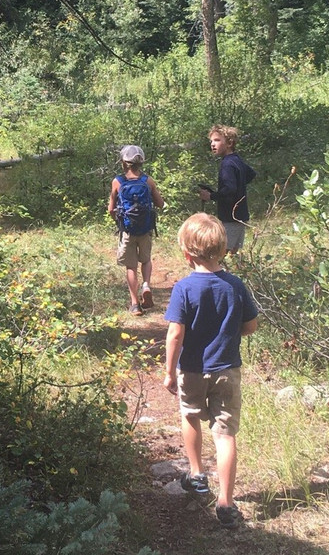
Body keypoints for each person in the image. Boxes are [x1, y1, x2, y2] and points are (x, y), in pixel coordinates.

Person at [163, 213, 259, 529]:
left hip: (192, 368)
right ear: (223, 249)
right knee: (225, 433)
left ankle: (197, 475)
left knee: (190, 415)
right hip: (227, 368)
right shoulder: (235, 285)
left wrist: (169, 371)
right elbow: (251, 326)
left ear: (186, 254)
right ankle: (226, 503)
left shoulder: (184, 288)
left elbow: (175, 334)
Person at [107, 145, 165, 316]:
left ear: (123, 162)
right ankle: (146, 285)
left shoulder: (118, 182)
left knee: (131, 266)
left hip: (127, 230)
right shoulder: (148, 181)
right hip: (145, 229)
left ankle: (135, 305)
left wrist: (119, 222)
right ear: (141, 162)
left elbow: (111, 209)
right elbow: (160, 204)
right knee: (145, 260)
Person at [197, 125, 256, 254]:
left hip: (230, 217)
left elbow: (230, 189)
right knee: (233, 253)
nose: (213, 144)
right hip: (240, 215)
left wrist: (210, 196)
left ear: (229, 143)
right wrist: (239, 186)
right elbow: (251, 174)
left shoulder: (227, 164)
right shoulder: (236, 159)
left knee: (222, 253)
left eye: (217, 140)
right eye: (211, 141)